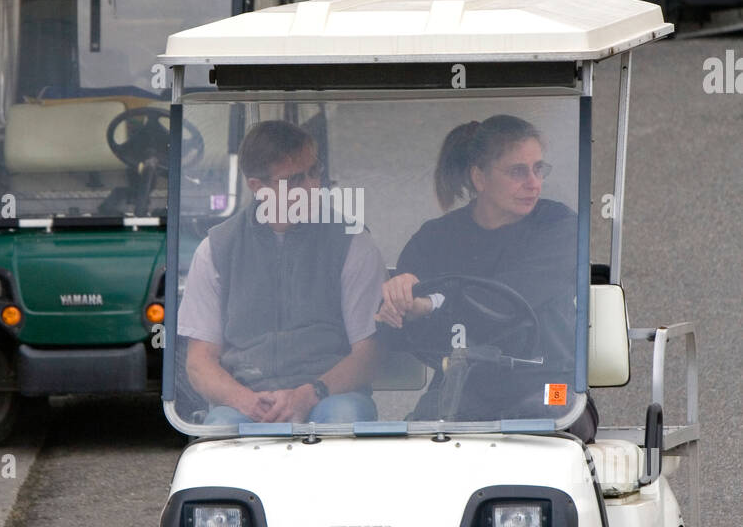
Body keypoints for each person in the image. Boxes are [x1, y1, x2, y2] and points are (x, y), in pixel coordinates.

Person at [376, 114, 592, 433]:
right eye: (518, 171)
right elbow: (393, 337)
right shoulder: (434, 239)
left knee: (538, 430)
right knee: (415, 441)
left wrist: (431, 303)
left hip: (549, 384)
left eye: (538, 169)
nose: (533, 183)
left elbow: (503, 303)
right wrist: (399, 305)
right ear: (479, 178)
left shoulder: (559, 227)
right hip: (462, 388)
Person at [178, 119, 385, 424]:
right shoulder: (216, 249)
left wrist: (310, 393)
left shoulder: (352, 242)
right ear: (257, 187)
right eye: (295, 180)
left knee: (343, 418)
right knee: (221, 430)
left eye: (314, 172)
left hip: (329, 395)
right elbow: (199, 361)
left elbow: (368, 354)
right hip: (247, 399)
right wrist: (245, 401)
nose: (312, 187)